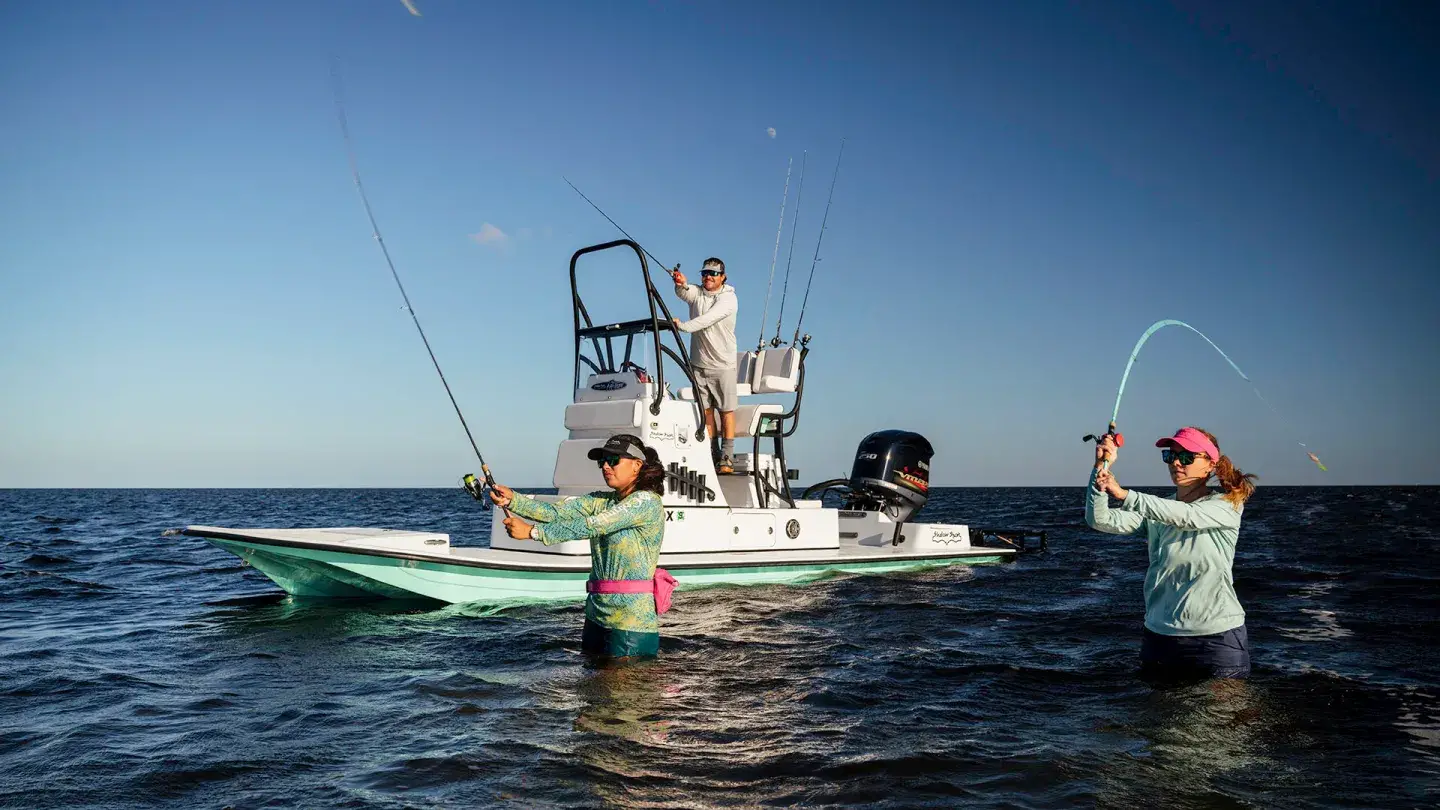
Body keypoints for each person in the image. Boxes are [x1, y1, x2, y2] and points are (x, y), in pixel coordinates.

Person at [1086, 426, 1259, 683]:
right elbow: (1099, 519)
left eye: (1187, 456)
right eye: (1171, 456)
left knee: (1224, 719)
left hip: (1217, 639)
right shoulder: (1158, 510)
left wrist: (1124, 494)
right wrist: (1101, 467)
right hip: (1159, 635)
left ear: (1210, 464)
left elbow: (1187, 516)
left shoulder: (1226, 505)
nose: (1177, 462)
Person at [489, 434, 674, 659]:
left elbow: (594, 525)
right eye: (602, 461)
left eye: (614, 460)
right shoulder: (600, 501)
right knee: (591, 690)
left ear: (637, 465)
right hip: (596, 616)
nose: (606, 466)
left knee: (625, 692)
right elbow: (557, 513)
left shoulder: (646, 502)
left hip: (631, 623)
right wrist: (513, 500)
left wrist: (532, 532)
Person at [670, 257, 739, 474]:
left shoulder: (728, 299)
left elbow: (708, 319)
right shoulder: (698, 292)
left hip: (723, 364)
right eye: (705, 273)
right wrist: (680, 283)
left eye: (713, 274)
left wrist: (683, 326)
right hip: (698, 363)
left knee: (726, 410)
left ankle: (727, 456)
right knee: (706, 409)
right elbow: (684, 293)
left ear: (723, 277)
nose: (708, 277)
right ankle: (712, 453)